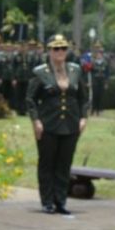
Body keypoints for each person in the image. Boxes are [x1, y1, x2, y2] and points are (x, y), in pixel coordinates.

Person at [26, 34, 90, 214]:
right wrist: (36, 121)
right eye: (56, 48)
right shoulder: (40, 72)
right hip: (48, 124)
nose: (60, 52)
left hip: (70, 124)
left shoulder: (75, 70)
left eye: (63, 48)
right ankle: (47, 201)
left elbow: (83, 98)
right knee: (47, 163)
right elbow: (30, 99)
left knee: (64, 163)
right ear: (49, 51)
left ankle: (60, 200)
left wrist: (83, 117)